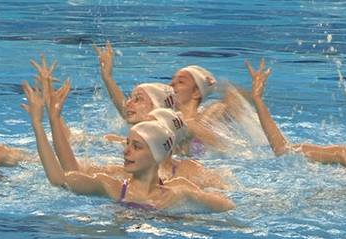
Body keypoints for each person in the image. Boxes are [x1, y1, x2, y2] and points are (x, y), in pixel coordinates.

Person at [21, 59, 234, 212]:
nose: (125, 150)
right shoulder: (113, 182)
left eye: (136, 146)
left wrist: (188, 194)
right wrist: (44, 121)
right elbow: (63, 175)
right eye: (128, 144)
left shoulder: (182, 180)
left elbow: (228, 203)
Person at [93, 41, 236, 154]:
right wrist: (108, 78)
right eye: (172, 80)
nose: (172, 84)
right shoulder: (168, 119)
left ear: (197, 93)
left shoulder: (197, 121)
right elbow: (131, 112)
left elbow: (223, 149)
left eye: (180, 81)